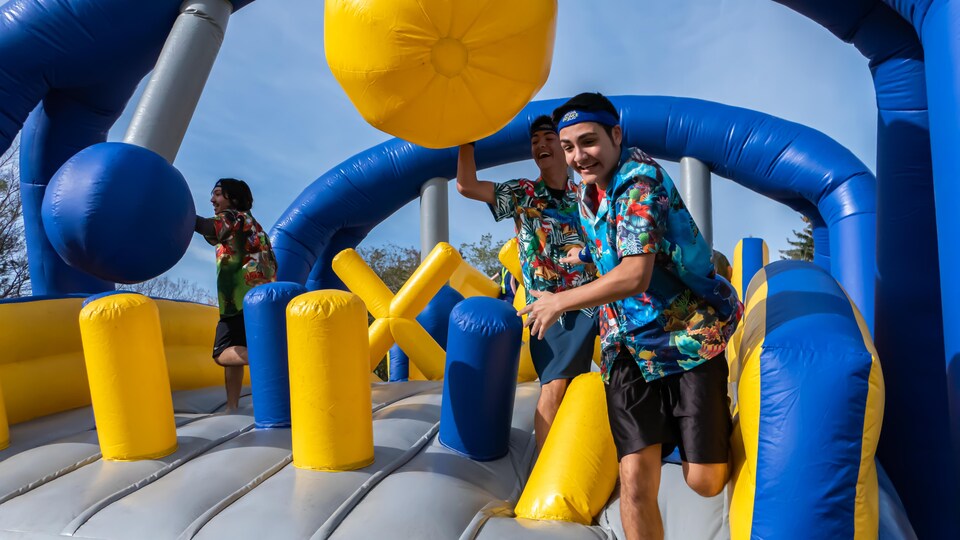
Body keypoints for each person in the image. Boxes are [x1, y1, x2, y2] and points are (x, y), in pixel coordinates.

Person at [520, 93, 742, 540]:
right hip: (624, 346)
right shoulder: (586, 194)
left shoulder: (640, 181)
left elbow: (635, 274)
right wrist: (579, 256)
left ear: (616, 135)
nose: (578, 156)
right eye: (569, 147)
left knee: (705, 480)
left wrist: (559, 301)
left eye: (589, 142)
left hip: (683, 338)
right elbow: (609, 244)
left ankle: (699, 427)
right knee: (634, 479)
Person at [456, 116, 598, 451]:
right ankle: (544, 463)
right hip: (547, 307)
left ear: (565, 147)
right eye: (535, 142)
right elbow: (467, 186)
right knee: (555, 385)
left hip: (591, 302)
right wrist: (467, 138)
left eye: (549, 138)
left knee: (585, 385)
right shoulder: (524, 192)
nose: (541, 145)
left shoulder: (585, 195)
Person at [195, 178, 277, 411]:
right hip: (260, 298)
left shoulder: (233, 217)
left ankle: (273, 358)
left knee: (221, 353)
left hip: (239, 299)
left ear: (232, 198)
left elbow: (208, 227)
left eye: (218, 194)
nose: (212, 200)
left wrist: (182, 214)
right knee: (237, 349)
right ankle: (232, 406)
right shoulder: (254, 225)